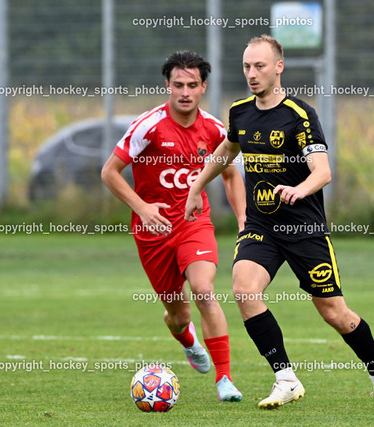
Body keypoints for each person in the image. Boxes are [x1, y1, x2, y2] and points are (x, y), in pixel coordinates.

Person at [184, 35, 374, 410]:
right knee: (244, 290)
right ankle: (285, 378)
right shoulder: (240, 112)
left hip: (304, 230)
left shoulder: (300, 115)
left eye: (260, 66)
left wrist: (300, 189)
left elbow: (323, 171)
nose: (252, 73)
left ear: (279, 67)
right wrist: (196, 186)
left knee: (333, 312)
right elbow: (227, 150)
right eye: (247, 66)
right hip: (261, 227)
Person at [101, 50, 246, 402]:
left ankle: (225, 379)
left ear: (203, 87)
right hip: (152, 233)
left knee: (203, 290)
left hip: (194, 223)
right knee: (177, 315)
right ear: (167, 85)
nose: (185, 92)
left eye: (192, 85)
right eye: (178, 85)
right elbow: (109, 172)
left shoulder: (214, 129)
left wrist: (243, 218)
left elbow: (230, 174)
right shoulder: (148, 126)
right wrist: (142, 207)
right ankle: (188, 339)